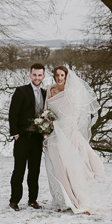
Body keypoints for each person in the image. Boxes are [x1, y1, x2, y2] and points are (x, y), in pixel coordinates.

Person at [44, 66, 106, 214]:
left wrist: (67, 132)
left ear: (66, 77)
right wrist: (46, 126)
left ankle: (75, 200)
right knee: (56, 168)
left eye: (62, 75)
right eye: (57, 75)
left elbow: (72, 115)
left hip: (66, 133)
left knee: (69, 168)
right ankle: (62, 200)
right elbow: (46, 111)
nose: (59, 78)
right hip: (53, 134)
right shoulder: (49, 90)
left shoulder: (71, 93)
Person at [8, 63, 47, 211]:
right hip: (22, 137)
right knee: (19, 170)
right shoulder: (21, 91)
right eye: (34, 75)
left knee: (34, 170)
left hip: (37, 138)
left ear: (43, 76)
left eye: (40, 75)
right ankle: (14, 200)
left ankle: (32, 200)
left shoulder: (45, 93)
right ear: (30, 75)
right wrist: (15, 134)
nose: (37, 78)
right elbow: (13, 113)